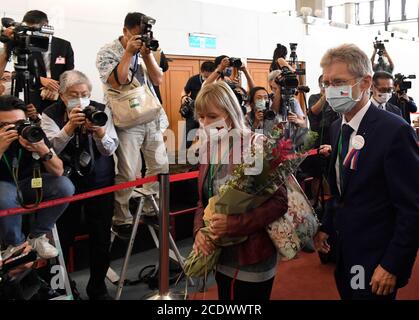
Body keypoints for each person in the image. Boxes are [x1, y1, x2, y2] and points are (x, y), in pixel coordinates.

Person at [314, 44, 419, 300]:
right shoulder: (338, 127)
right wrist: (326, 225)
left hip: (377, 256)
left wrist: (393, 264)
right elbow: (343, 188)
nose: (331, 90)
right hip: (345, 249)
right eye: (327, 83)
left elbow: (412, 207)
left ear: (365, 82)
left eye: (338, 81)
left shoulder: (394, 131)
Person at [192, 81, 288, 300]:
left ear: (230, 113)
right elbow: (203, 200)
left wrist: (233, 225)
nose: (205, 123)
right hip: (220, 254)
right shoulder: (209, 148)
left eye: (212, 116)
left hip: (252, 257)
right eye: (201, 116)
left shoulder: (257, 145)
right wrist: (199, 232)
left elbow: (279, 203)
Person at [41, 70, 118, 300]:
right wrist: (68, 129)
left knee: (101, 236)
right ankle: (62, 287)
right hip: (64, 182)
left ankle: (98, 287)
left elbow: (110, 148)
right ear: (63, 96)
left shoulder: (101, 110)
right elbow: (49, 149)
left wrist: (100, 132)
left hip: (100, 180)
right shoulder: (49, 114)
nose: (81, 99)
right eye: (74, 94)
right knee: (63, 237)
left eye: (85, 93)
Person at [96, 12, 169, 239]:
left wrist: (147, 56)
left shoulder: (147, 49)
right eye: (136, 35)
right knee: (128, 171)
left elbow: (157, 79)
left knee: (160, 165)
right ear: (125, 31)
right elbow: (117, 80)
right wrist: (128, 53)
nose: (140, 39)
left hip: (150, 116)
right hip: (126, 118)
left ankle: (149, 207)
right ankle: (122, 218)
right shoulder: (107, 52)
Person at [0, 95, 75, 260]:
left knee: (64, 185)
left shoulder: (32, 132)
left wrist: (42, 149)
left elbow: (58, 171)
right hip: (3, 188)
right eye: (6, 125)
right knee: (3, 193)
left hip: (28, 185)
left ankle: (37, 237)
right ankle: (16, 245)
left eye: (19, 123)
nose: (14, 129)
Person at [22, 10, 74, 113]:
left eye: (35, 29)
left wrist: (54, 88)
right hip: (34, 97)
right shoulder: (25, 45)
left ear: (46, 25)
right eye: (29, 29)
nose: (33, 32)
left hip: (59, 96)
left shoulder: (64, 45)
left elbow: (69, 73)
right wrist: (40, 80)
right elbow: (22, 73)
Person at [181, 61, 216, 148]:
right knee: (187, 137)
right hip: (193, 112)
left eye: (210, 76)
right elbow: (185, 90)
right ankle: (183, 157)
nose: (207, 79)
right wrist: (184, 97)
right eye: (206, 76)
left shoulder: (217, 81)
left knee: (209, 137)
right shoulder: (193, 79)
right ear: (201, 71)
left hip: (209, 113)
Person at [308, 75, 340, 147]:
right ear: (320, 85)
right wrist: (326, 94)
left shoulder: (336, 99)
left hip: (332, 138)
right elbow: (314, 111)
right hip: (317, 140)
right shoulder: (314, 97)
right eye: (325, 84)